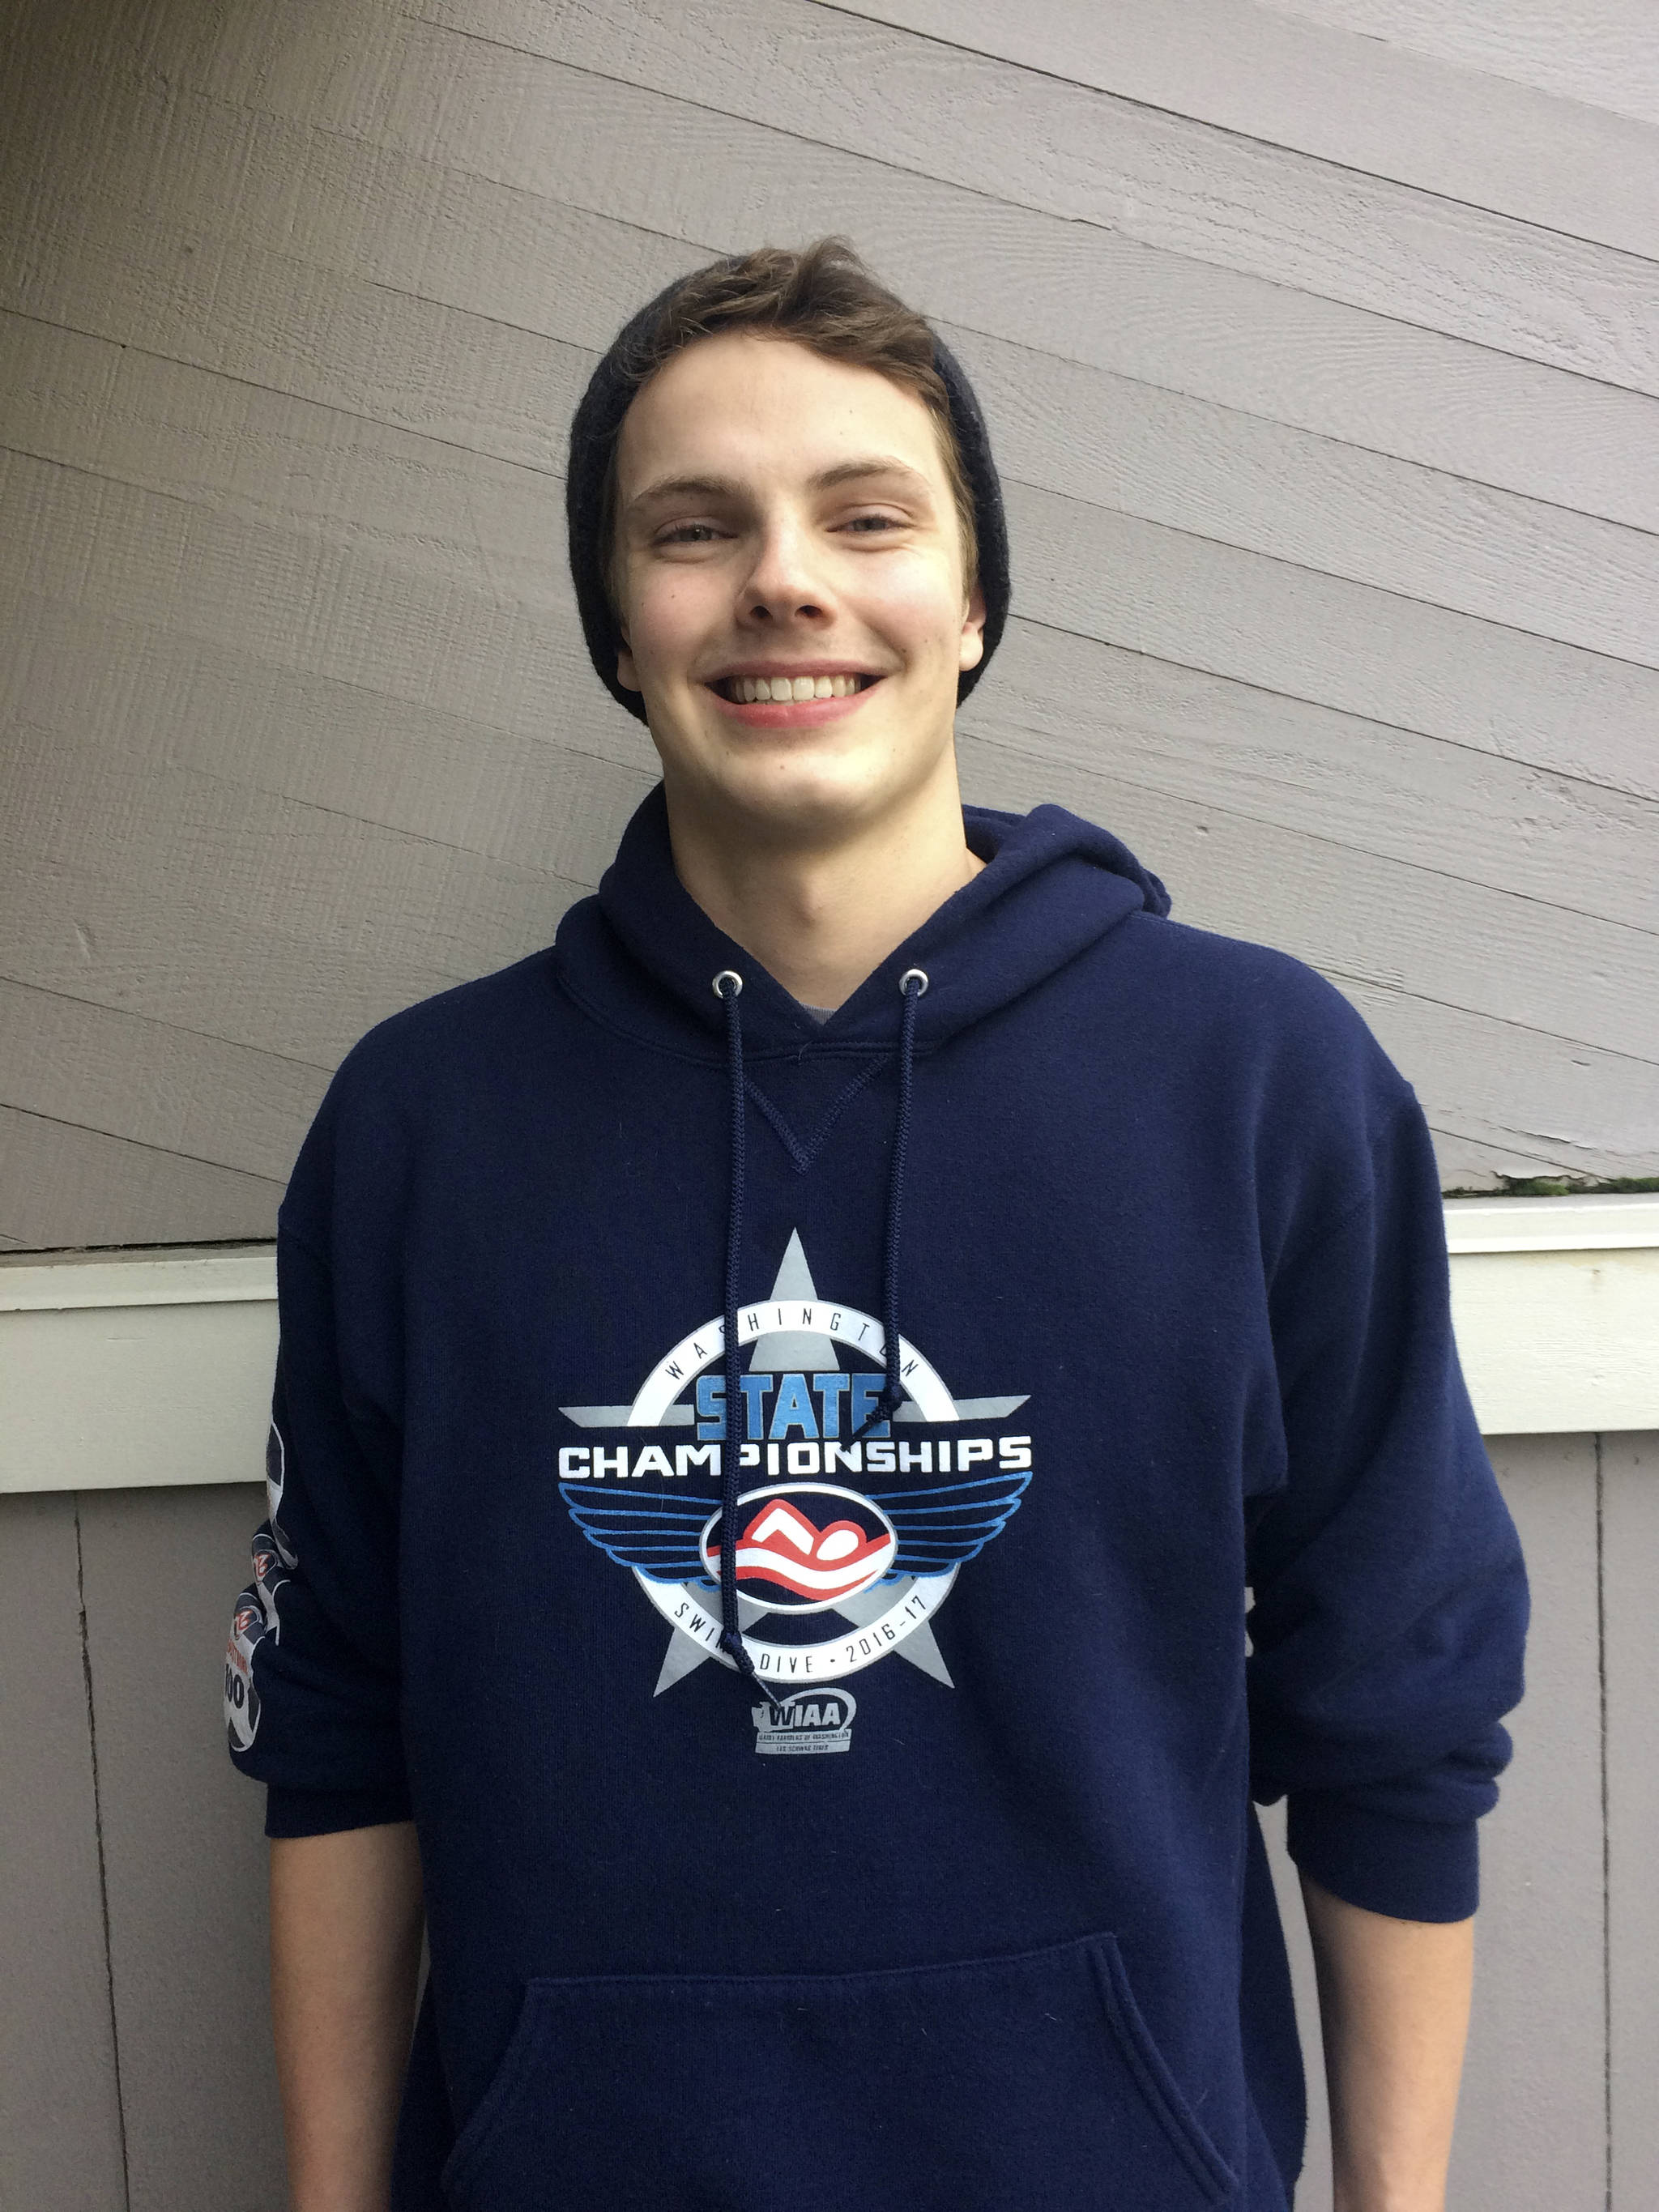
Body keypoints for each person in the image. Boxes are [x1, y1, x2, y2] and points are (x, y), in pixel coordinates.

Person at [225, 238, 1529, 2212]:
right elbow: (336, 1726)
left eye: (865, 514)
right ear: (613, 619)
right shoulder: (423, 1129)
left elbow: (1399, 1710)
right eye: (695, 527)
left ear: (975, 593)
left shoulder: (1260, 1084)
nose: (783, 580)